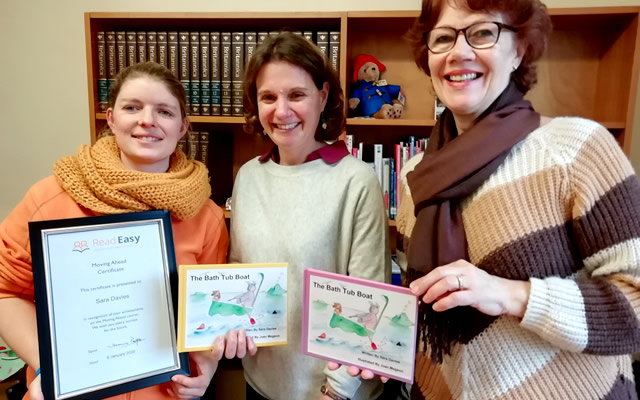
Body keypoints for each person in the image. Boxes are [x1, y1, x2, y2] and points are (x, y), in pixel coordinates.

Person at [392, 0, 640, 398]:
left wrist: (511, 294)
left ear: (519, 49)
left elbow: (635, 307)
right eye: (443, 38)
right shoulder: (414, 175)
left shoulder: (577, 150)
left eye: (483, 33)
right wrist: (373, 351)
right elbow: (429, 318)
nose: (459, 52)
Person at [0, 61, 256, 400]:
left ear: (183, 127)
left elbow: (204, 315)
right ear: (110, 118)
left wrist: (204, 370)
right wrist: (51, 368)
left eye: (164, 111)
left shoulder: (206, 216)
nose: (146, 120)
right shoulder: (49, 199)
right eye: (132, 107)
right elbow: (6, 291)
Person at [229, 32, 391, 400]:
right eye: (268, 97)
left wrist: (337, 392)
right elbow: (240, 267)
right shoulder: (249, 176)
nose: (281, 111)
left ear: (323, 96)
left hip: (335, 393)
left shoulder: (356, 180)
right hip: (261, 383)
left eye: (296, 95)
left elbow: (368, 302)